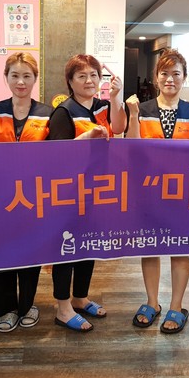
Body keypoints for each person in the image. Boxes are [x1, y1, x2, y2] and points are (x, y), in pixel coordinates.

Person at [125, 48, 189, 334]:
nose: (170, 79)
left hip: (182, 192)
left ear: (185, 77)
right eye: (164, 74)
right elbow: (131, 148)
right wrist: (133, 115)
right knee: (150, 247)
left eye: (176, 74)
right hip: (148, 191)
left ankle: (176, 306)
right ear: (156, 77)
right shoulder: (142, 109)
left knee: (180, 248)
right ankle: (152, 302)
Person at [0, 52, 51, 332]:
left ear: (35, 79)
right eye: (15, 75)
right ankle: (7, 308)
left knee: (30, 251)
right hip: (0, 194)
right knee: (3, 252)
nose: (21, 82)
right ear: (6, 78)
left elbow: (59, 151)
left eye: (27, 76)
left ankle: (28, 305)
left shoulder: (47, 113)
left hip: (33, 195)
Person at [47, 54, 126, 332]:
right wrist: (86, 138)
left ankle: (80, 297)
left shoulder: (103, 106)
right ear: (70, 82)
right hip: (69, 192)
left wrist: (115, 98)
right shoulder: (63, 112)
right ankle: (63, 308)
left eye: (94, 75)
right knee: (66, 248)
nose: (89, 81)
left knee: (88, 245)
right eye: (82, 76)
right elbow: (57, 155)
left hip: (98, 190)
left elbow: (119, 128)